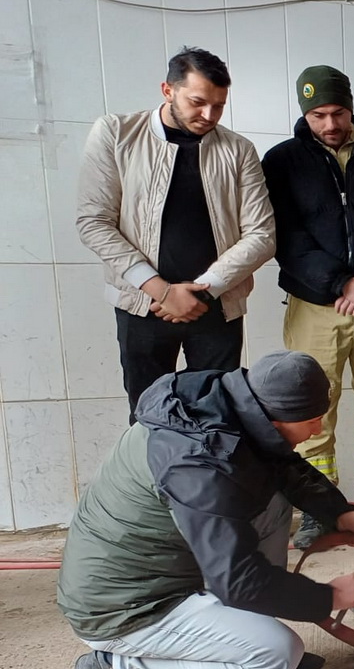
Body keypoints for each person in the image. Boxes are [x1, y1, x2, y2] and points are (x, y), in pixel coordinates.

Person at [58, 351, 354, 669]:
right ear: (274, 417)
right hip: (124, 607)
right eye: (312, 420)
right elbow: (238, 581)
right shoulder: (197, 464)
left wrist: (340, 513)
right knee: (277, 655)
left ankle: (242, 625)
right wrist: (329, 596)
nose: (318, 430)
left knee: (273, 500)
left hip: (159, 567)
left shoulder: (221, 405)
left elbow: (278, 464)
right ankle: (118, 665)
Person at [76, 46, 275, 423]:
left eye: (219, 105)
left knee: (218, 419)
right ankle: (150, 486)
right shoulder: (116, 134)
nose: (209, 115)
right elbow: (93, 221)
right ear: (168, 90)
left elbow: (262, 234)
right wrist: (162, 291)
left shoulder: (238, 149)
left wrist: (202, 290)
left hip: (217, 307)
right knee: (149, 419)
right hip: (143, 306)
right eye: (198, 102)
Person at [262, 65, 354, 549]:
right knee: (309, 416)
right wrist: (342, 280)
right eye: (318, 115)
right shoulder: (281, 161)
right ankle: (319, 510)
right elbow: (283, 237)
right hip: (315, 307)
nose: (329, 124)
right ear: (305, 113)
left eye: (338, 112)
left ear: (351, 105)